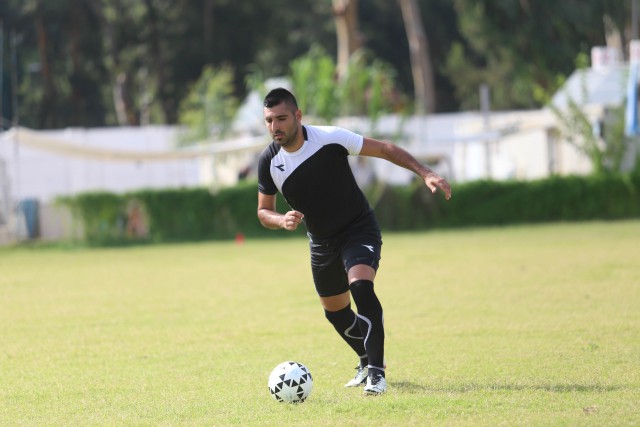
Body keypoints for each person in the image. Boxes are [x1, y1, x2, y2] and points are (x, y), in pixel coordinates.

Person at [257, 88, 452, 395]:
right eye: (269, 120)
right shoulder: (269, 161)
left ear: (298, 116)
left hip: (357, 229)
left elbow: (385, 149)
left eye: (281, 119)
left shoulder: (329, 138)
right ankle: (365, 359)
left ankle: (377, 373)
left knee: (361, 286)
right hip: (321, 242)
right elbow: (263, 211)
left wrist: (425, 172)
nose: (274, 127)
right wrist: (281, 220)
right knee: (335, 311)